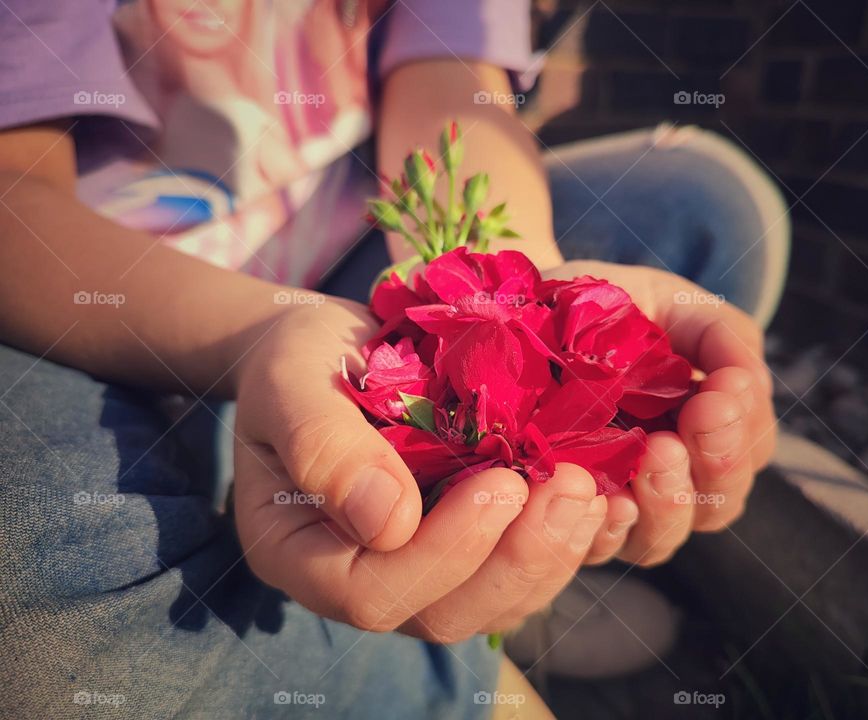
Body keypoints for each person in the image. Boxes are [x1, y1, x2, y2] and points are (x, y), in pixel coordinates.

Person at [0, 1, 783, 718]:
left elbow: (451, 93)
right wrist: (257, 338)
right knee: (27, 588)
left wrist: (508, 302)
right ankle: (462, 680)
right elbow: (15, 201)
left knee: (705, 209)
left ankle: (480, 581)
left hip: (354, 293)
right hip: (101, 313)